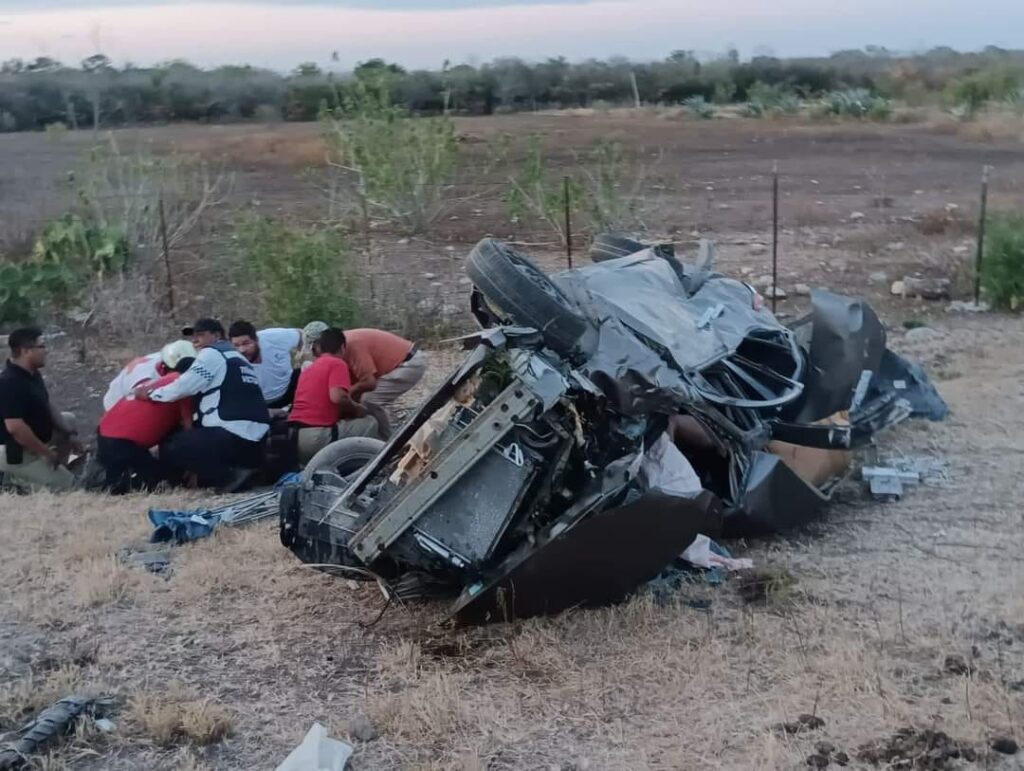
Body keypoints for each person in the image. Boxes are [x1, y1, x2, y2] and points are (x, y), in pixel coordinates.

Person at [135, 318, 270, 491]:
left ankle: (229, 478)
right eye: (193, 337)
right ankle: (237, 473)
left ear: (217, 335)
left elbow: (184, 386)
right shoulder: (239, 359)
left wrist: (152, 394)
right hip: (257, 442)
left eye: (200, 335)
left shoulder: (212, 353)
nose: (195, 340)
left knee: (172, 445)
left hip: (232, 436)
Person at [0, 327, 83, 492]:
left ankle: (54, 470)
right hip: (16, 453)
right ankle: (12, 479)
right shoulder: (9, 382)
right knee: (71, 488)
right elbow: (15, 428)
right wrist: (47, 453)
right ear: (26, 351)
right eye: (42, 346)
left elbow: (46, 403)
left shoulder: (32, 374)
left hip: (36, 443)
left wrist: (70, 434)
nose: (47, 351)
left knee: (68, 419)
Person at [96, 357, 195, 494]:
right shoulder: (183, 383)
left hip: (104, 432)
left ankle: (105, 482)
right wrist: (193, 468)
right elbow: (188, 432)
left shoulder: (159, 381)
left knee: (117, 482)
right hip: (122, 442)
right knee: (160, 483)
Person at [287, 328, 380, 465]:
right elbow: (338, 397)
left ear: (320, 348)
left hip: (294, 438)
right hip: (316, 438)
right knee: (369, 422)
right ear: (342, 347)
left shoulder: (309, 369)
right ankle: (356, 468)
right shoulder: (337, 363)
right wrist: (357, 409)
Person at [343, 328, 428, 418]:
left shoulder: (350, 344)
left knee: (370, 401)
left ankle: (385, 432)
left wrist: (347, 395)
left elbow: (369, 382)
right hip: (398, 364)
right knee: (357, 399)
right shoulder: (340, 346)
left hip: (407, 364)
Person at [226, 320, 302, 409]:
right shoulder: (230, 359)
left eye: (246, 343)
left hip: (289, 388)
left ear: (256, 339)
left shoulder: (273, 337)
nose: (242, 350)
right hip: (260, 403)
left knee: (306, 371)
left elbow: (303, 335)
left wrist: (303, 354)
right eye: (236, 345)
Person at [102, 340, 196, 411]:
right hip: (116, 405)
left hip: (121, 388)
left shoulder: (166, 357)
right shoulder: (146, 380)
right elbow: (139, 400)